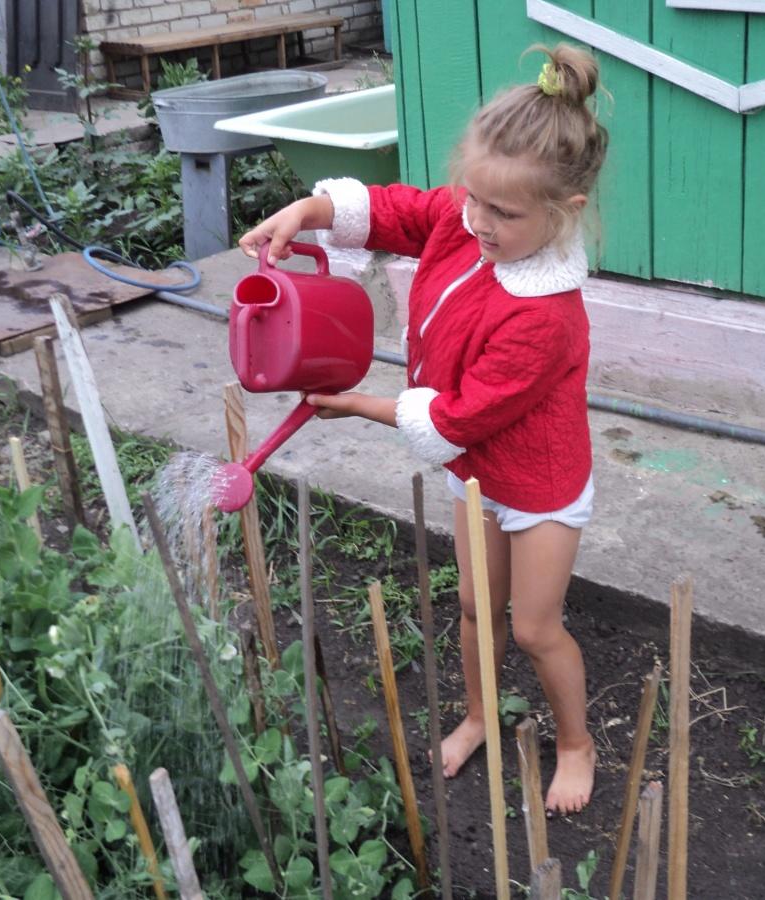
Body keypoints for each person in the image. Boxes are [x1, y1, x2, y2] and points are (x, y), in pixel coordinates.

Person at [238, 43, 609, 815]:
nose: (475, 221)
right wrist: (312, 211)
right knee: (477, 607)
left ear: (565, 212)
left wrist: (363, 404)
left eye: (502, 214)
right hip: (476, 473)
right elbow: (401, 211)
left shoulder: (546, 319)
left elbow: (461, 415)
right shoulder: (467, 217)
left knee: (536, 627)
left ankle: (575, 743)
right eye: (471, 198)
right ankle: (479, 716)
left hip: (539, 486)